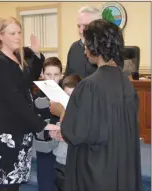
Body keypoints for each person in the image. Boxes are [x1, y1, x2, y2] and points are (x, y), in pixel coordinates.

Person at [50, 19, 142, 191]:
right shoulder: (127, 84)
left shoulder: (90, 86)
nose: (84, 50)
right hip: (122, 167)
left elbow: (75, 133)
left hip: (97, 171)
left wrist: (62, 111)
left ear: (95, 47)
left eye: (87, 44)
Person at [0, 17, 59, 191]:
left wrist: (37, 54)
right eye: (12, 33)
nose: (17, 37)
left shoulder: (17, 56)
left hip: (21, 128)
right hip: (6, 131)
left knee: (14, 181)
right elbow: (14, 99)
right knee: (7, 182)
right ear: (0, 36)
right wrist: (41, 125)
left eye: (19, 32)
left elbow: (28, 78)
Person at [33, 56, 63, 191]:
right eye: (48, 74)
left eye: (56, 74)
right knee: (46, 186)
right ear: (42, 75)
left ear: (62, 75)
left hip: (63, 152)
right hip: (45, 150)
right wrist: (47, 132)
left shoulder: (67, 95)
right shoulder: (35, 98)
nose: (52, 79)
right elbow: (32, 123)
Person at [50, 74, 82, 191]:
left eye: (73, 96)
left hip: (76, 163)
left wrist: (67, 136)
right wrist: (54, 135)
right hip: (61, 161)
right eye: (67, 95)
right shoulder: (62, 110)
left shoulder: (84, 114)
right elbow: (56, 137)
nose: (70, 100)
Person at [64, 7, 101, 78]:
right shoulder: (74, 48)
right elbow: (68, 76)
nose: (80, 31)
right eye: (78, 26)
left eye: (85, 26)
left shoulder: (106, 50)